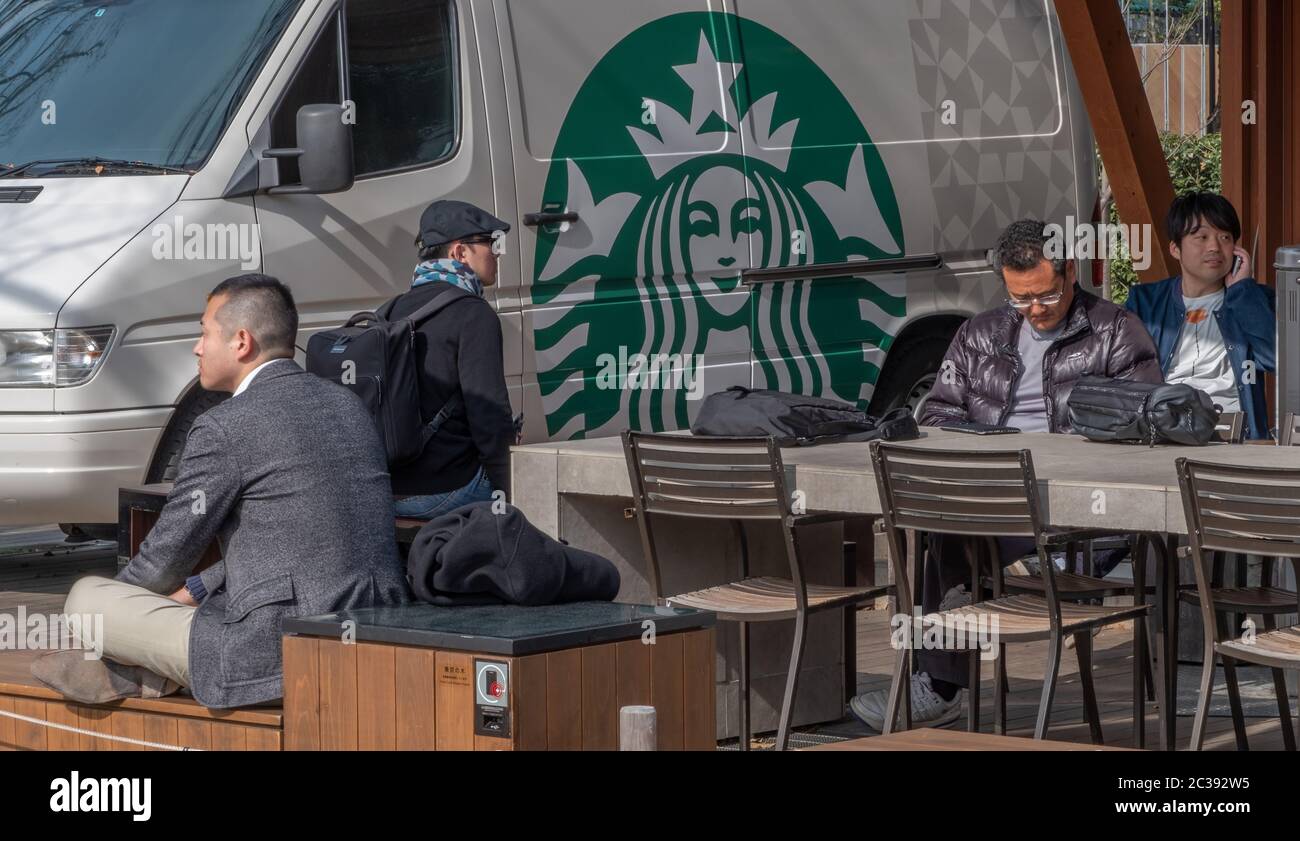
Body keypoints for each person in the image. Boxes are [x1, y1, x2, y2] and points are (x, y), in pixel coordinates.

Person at [850, 218, 1163, 731]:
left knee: (953, 537)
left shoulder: (1115, 332)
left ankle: (941, 685)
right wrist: (984, 443)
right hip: (998, 497)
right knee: (944, 523)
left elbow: (1144, 422)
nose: (1034, 310)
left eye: (1045, 295)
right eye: (1020, 299)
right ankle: (950, 665)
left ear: (1070, 272)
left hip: (1078, 509)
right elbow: (937, 412)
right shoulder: (979, 333)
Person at [43, 274, 409, 708]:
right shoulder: (347, 405)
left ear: (241, 342)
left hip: (275, 655)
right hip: (378, 632)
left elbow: (163, 560)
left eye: (204, 332)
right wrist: (195, 590)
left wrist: (119, 619)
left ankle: (146, 668)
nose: (198, 347)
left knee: (87, 599)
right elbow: (300, 538)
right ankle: (153, 671)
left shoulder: (225, 426)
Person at [387, 200, 517, 518]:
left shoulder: (391, 311)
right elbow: (490, 416)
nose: (497, 252)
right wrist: (509, 490)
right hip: (446, 489)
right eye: (489, 242)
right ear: (459, 253)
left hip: (387, 490)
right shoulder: (474, 314)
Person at [1126, 192, 1275, 440]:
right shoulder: (1145, 302)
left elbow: (1275, 358)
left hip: (1235, 437)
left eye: (1225, 237)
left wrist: (1242, 292)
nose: (1215, 247)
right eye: (1202, 237)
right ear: (1175, 249)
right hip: (1163, 432)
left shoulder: (1255, 299)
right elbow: (1124, 375)